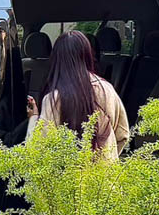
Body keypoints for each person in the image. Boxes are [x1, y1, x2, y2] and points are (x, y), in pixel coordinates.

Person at [26, 29, 130, 160]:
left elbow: (39, 148)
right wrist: (107, 157)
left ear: (56, 59)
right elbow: (122, 135)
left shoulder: (54, 99)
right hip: (106, 177)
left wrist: (33, 117)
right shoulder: (107, 89)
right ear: (87, 55)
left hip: (67, 178)